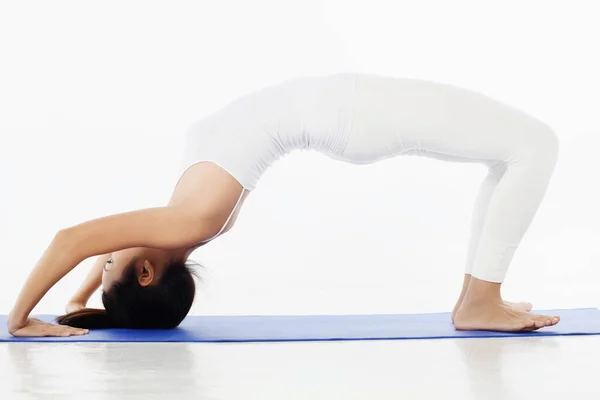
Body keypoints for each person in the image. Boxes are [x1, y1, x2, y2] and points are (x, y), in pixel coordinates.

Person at [7, 73, 561, 337]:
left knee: (516, 150)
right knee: (533, 145)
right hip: (352, 113)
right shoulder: (189, 220)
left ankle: (477, 297)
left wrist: (85, 299)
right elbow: (72, 239)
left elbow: (94, 249)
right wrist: (21, 320)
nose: (104, 252)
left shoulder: (178, 218)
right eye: (110, 263)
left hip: (346, 107)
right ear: (148, 271)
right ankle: (480, 301)